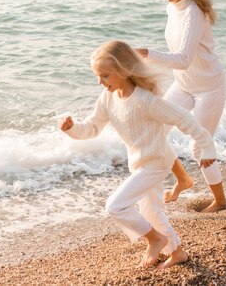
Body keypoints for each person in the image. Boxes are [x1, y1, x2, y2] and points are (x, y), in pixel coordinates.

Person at [59, 40, 217, 269]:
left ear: (123, 70)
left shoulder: (146, 101)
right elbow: (91, 128)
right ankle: (177, 252)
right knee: (151, 211)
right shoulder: (108, 98)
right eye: (98, 76)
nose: (100, 82)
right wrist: (71, 128)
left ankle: (155, 239)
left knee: (115, 206)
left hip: (155, 162)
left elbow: (185, 119)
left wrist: (206, 147)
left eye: (105, 76)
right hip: (139, 163)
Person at [136, 0, 226, 213]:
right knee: (154, 129)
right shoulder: (172, 9)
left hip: (210, 87)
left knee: (200, 145)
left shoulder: (194, 13)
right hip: (184, 85)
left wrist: (146, 53)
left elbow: (184, 59)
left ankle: (220, 201)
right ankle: (183, 179)